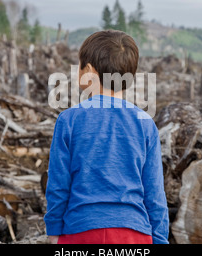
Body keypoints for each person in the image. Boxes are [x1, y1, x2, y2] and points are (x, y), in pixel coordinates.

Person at [44, 30, 169, 244]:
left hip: (81, 231)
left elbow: (58, 186)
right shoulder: (145, 124)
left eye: (79, 66)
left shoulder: (69, 120)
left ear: (89, 71)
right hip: (134, 233)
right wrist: (159, 239)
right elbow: (155, 194)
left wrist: (54, 232)